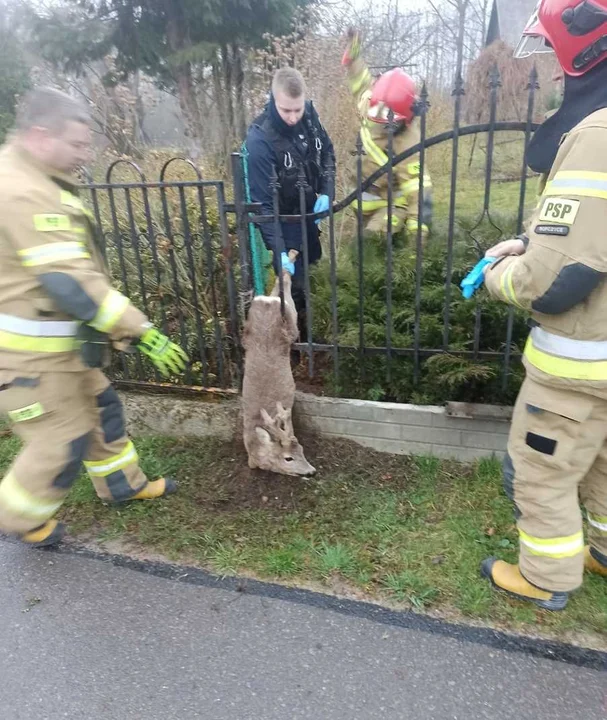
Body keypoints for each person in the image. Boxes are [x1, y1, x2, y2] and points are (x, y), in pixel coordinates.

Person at [0, 87, 189, 548]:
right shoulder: (22, 191)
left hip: (62, 350)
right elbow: (71, 281)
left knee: (101, 411)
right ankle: (17, 519)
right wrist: (140, 330)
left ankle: (122, 484)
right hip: (29, 361)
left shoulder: (43, 179)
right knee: (60, 441)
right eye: (78, 145)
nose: (86, 154)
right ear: (42, 136)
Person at [481, 0, 607, 609]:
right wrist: (534, 239)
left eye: (556, 58)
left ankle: (546, 578)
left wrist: (500, 272)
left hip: (578, 365)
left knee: (541, 469)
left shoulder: (595, 136)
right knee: (605, 465)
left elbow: (555, 281)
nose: (554, 74)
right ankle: (605, 554)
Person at [243, 67, 335, 325]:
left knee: (316, 276)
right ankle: (296, 349)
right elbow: (263, 204)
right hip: (283, 223)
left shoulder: (309, 116)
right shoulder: (260, 139)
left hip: (310, 216)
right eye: (286, 110)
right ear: (274, 100)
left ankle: (318, 339)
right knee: (294, 294)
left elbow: (327, 152)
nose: (293, 117)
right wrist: (279, 249)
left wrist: (327, 192)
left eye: (298, 109)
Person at [342, 28, 432, 240]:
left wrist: (417, 234)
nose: (383, 124)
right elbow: (361, 83)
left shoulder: (408, 143)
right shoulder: (373, 104)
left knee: (372, 243)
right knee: (360, 254)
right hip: (362, 203)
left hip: (391, 206)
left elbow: (418, 189)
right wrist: (353, 58)